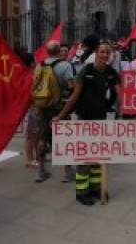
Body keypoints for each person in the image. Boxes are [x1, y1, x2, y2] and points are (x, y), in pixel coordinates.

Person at [52, 40, 120, 206]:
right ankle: (81, 192)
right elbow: (75, 96)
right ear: (96, 52)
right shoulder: (86, 71)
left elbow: (121, 93)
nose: (105, 55)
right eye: (102, 51)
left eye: (107, 52)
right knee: (85, 158)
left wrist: (133, 110)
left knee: (97, 157)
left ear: (111, 55)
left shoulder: (111, 73)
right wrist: (60, 116)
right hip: (84, 119)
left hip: (101, 119)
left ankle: (96, 188)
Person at [34, 41, 75, 183]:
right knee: (64, 139)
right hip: (60, 108)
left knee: (41, 138)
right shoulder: (65, 65)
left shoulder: (40, 65)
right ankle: (68, 172)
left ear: (47, 51)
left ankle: (41, 171)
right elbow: (71, 86)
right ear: (59, 50)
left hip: (42, 106)